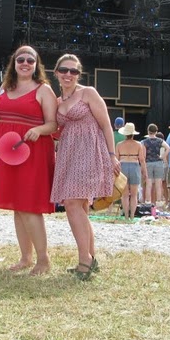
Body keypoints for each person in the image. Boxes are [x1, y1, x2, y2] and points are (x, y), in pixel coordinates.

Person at [0, 45, 57, 275]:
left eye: (30, 60)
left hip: (32, 154)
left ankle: (43, 260)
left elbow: (53, 124)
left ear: (37, 65)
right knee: (17, 207)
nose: (25, 63)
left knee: (29, 207)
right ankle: (26, 257)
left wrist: (39, 129)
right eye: (20, 59)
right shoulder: (4, 88)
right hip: (6, 154)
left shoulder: (43, 90)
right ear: (13, 63)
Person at [50, 54, 120, 280]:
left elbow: (106, 125)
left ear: (79, 74)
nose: (68, 74)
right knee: (79, 206)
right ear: (56, 72)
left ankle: (85, 261)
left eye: (73, 71)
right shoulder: (57, 101)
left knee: (72, 203)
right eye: (64, 70)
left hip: (91, 151)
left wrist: (112, 155)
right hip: (68, 154)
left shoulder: (88, 93)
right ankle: (91, 257)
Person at [116, 123, 147, 220]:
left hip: (123, 165)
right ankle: (132, 216)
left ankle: (125, 216)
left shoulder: (119, 145)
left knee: (124, 195)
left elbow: (116, 159)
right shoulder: (138, 145)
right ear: (133, 134)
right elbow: (142, 160)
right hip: (134, 166)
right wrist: (144, 172)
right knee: (134, 194)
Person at [142, 123, 170, 206]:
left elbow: (143, 155)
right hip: (158, 162)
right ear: (156, 131)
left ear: (148, 131)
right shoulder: (160, 141)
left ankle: (148, 201)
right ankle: (159, 202)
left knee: (149, 184)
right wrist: (162, 156)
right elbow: (168, 148)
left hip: (148, 162)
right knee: (158, 183)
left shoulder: (144, 142)